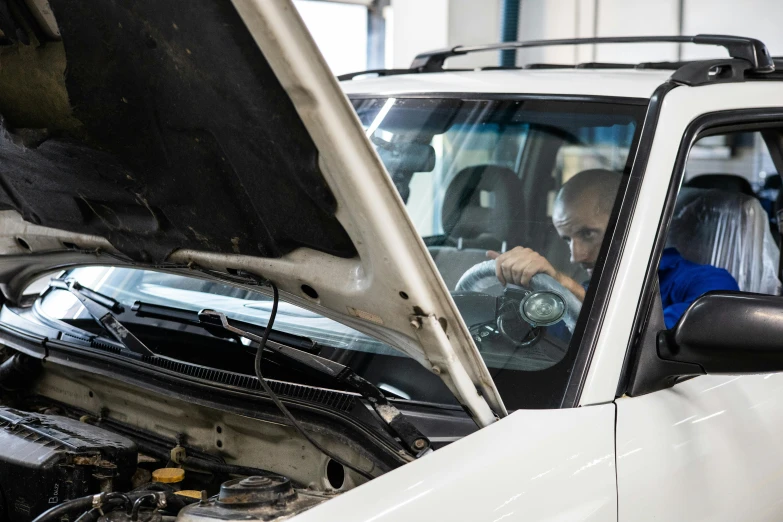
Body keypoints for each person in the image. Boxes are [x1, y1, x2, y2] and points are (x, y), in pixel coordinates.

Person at [488, 168, 739, 329]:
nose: (576, 256)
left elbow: (652, 339)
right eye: (567, 239)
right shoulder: (592, 291)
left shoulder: (709, 283)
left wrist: (567, 287)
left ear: (632, 223)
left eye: (588, 234)